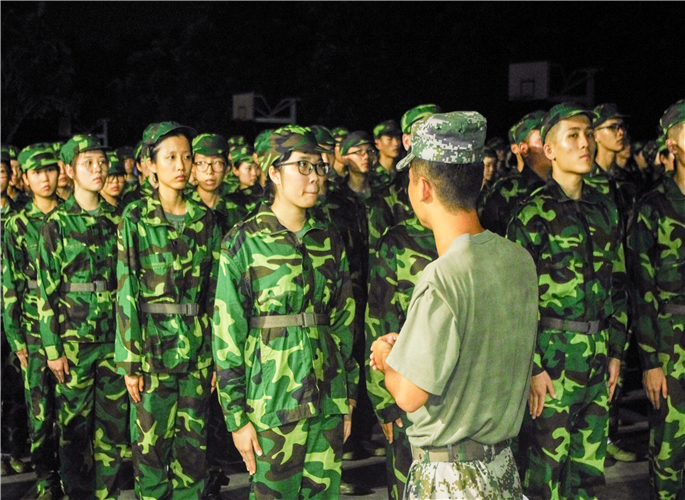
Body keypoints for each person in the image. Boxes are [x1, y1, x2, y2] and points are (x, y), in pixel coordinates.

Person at [370, 111, 539, 499]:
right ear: (478, 179)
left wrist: (387, 357)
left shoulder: (443, 276)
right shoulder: (518, 260)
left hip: (451, 478)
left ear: (423, 188)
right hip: (502, 468)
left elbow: (410, 394)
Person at [212, 127, 358, 499]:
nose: (315, 177)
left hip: (327, 399)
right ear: (274, 173)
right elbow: (227, 334)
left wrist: (347, 396)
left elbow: (344, 321)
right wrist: (236, 418)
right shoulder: (244, 241)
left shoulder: (328, 238)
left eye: (320, 167)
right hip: (271, 402)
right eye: (303, 166)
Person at [507, 103, 628, 500]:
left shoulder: (604, 209)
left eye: (588, 135)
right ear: (550, 150)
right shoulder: (532, 214)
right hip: (552, 361)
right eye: (572, 136)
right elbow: (515, 302)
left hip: (596, 356)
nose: (585, 143)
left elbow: (617, 286)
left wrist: (615, 352)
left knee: (588, 472)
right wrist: (532, 367)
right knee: (545, 474)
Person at [116, 121, 221, 499]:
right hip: (151, 353)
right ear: (150, 164)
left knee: (193, 449)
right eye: (170, 157)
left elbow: (215, 294)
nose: (181, 165)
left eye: (187, 157)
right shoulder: (136, 217)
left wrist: (216, 356)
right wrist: (129, 361)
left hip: (195, 352)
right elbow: (126, 289)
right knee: (151, 450)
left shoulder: (205, 220)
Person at [36, 134, 128, 499]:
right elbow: (46, 293)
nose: (98, 169)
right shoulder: (56, 224)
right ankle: (76, 493)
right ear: (69, 170)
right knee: (74, 429)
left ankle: (106, 493)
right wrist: (52, 348)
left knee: (113, 429)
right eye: (87, 163)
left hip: (113, 341)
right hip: (74, 344)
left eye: (101, 162)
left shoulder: (117, 220)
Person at [627, 99, 685, 500]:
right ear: (673, 145)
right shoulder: (653, 207)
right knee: (670, 445)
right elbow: (640, 290)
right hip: (671, 344)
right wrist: (650, 363)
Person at [365, 208, 438, 500]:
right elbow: (379, 322)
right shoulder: (398, 241)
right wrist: (383, 401)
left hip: (461, 395)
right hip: (408, 390)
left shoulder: (476, 235)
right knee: (408, 485)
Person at [2, 144, 62, 499]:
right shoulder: (18, 223)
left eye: (50, 169)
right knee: (40, 410)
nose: (45, 178)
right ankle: (45, 478)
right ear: (25, 178)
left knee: (73, 411)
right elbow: (10, 283)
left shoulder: (71, 216)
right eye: (36, 172)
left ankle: (73, 474)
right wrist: (16, 336)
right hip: (33, 330)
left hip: (71, 328)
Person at [479, 110, 550, 237]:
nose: (550, 145)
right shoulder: (506, 192)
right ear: (523, 149)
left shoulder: (569, 186)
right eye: (542, 139)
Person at [372, 119, 403, 188]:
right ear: (377, 143)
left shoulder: (404, 170)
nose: (396, 143)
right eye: (389, 139)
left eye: (397, 138)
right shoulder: (372, 176)